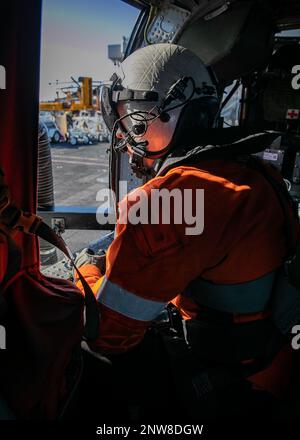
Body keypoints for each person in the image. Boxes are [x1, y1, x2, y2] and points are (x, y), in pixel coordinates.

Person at [74, 43, 299, 419]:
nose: (124, 139)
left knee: (78, 358)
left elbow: (108, 333)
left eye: (132, 121)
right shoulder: (258, 173)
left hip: (231, 388)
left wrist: (87, 270)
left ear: (165, 114)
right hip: (277, 366)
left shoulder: (166, 201)